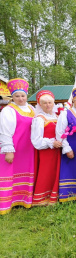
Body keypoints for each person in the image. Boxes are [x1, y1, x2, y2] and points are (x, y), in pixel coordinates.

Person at [0, 78, 35, 215]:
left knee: (26, 172)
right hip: (14, 147)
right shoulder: (8, 110)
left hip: (28, 149)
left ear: (26, 95)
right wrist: (8, 150)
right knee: (9, 173)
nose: (20, 98)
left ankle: (24, 200)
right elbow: (4, 131)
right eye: (17, 96)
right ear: (12, 97)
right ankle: (6, 203)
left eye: (23, 95)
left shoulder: (32, 109)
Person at [31, 90, 62, 206]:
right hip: (46, 151)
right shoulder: (39, 119)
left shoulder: (57, 116)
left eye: (50, 102)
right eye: (45, 103)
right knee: (46, 172)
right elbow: (36, 140)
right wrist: (51, 143)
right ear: (40, 104)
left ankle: (55, 195)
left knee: (56, 171)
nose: (48, 105)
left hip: (57, 150)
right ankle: (42, 197)